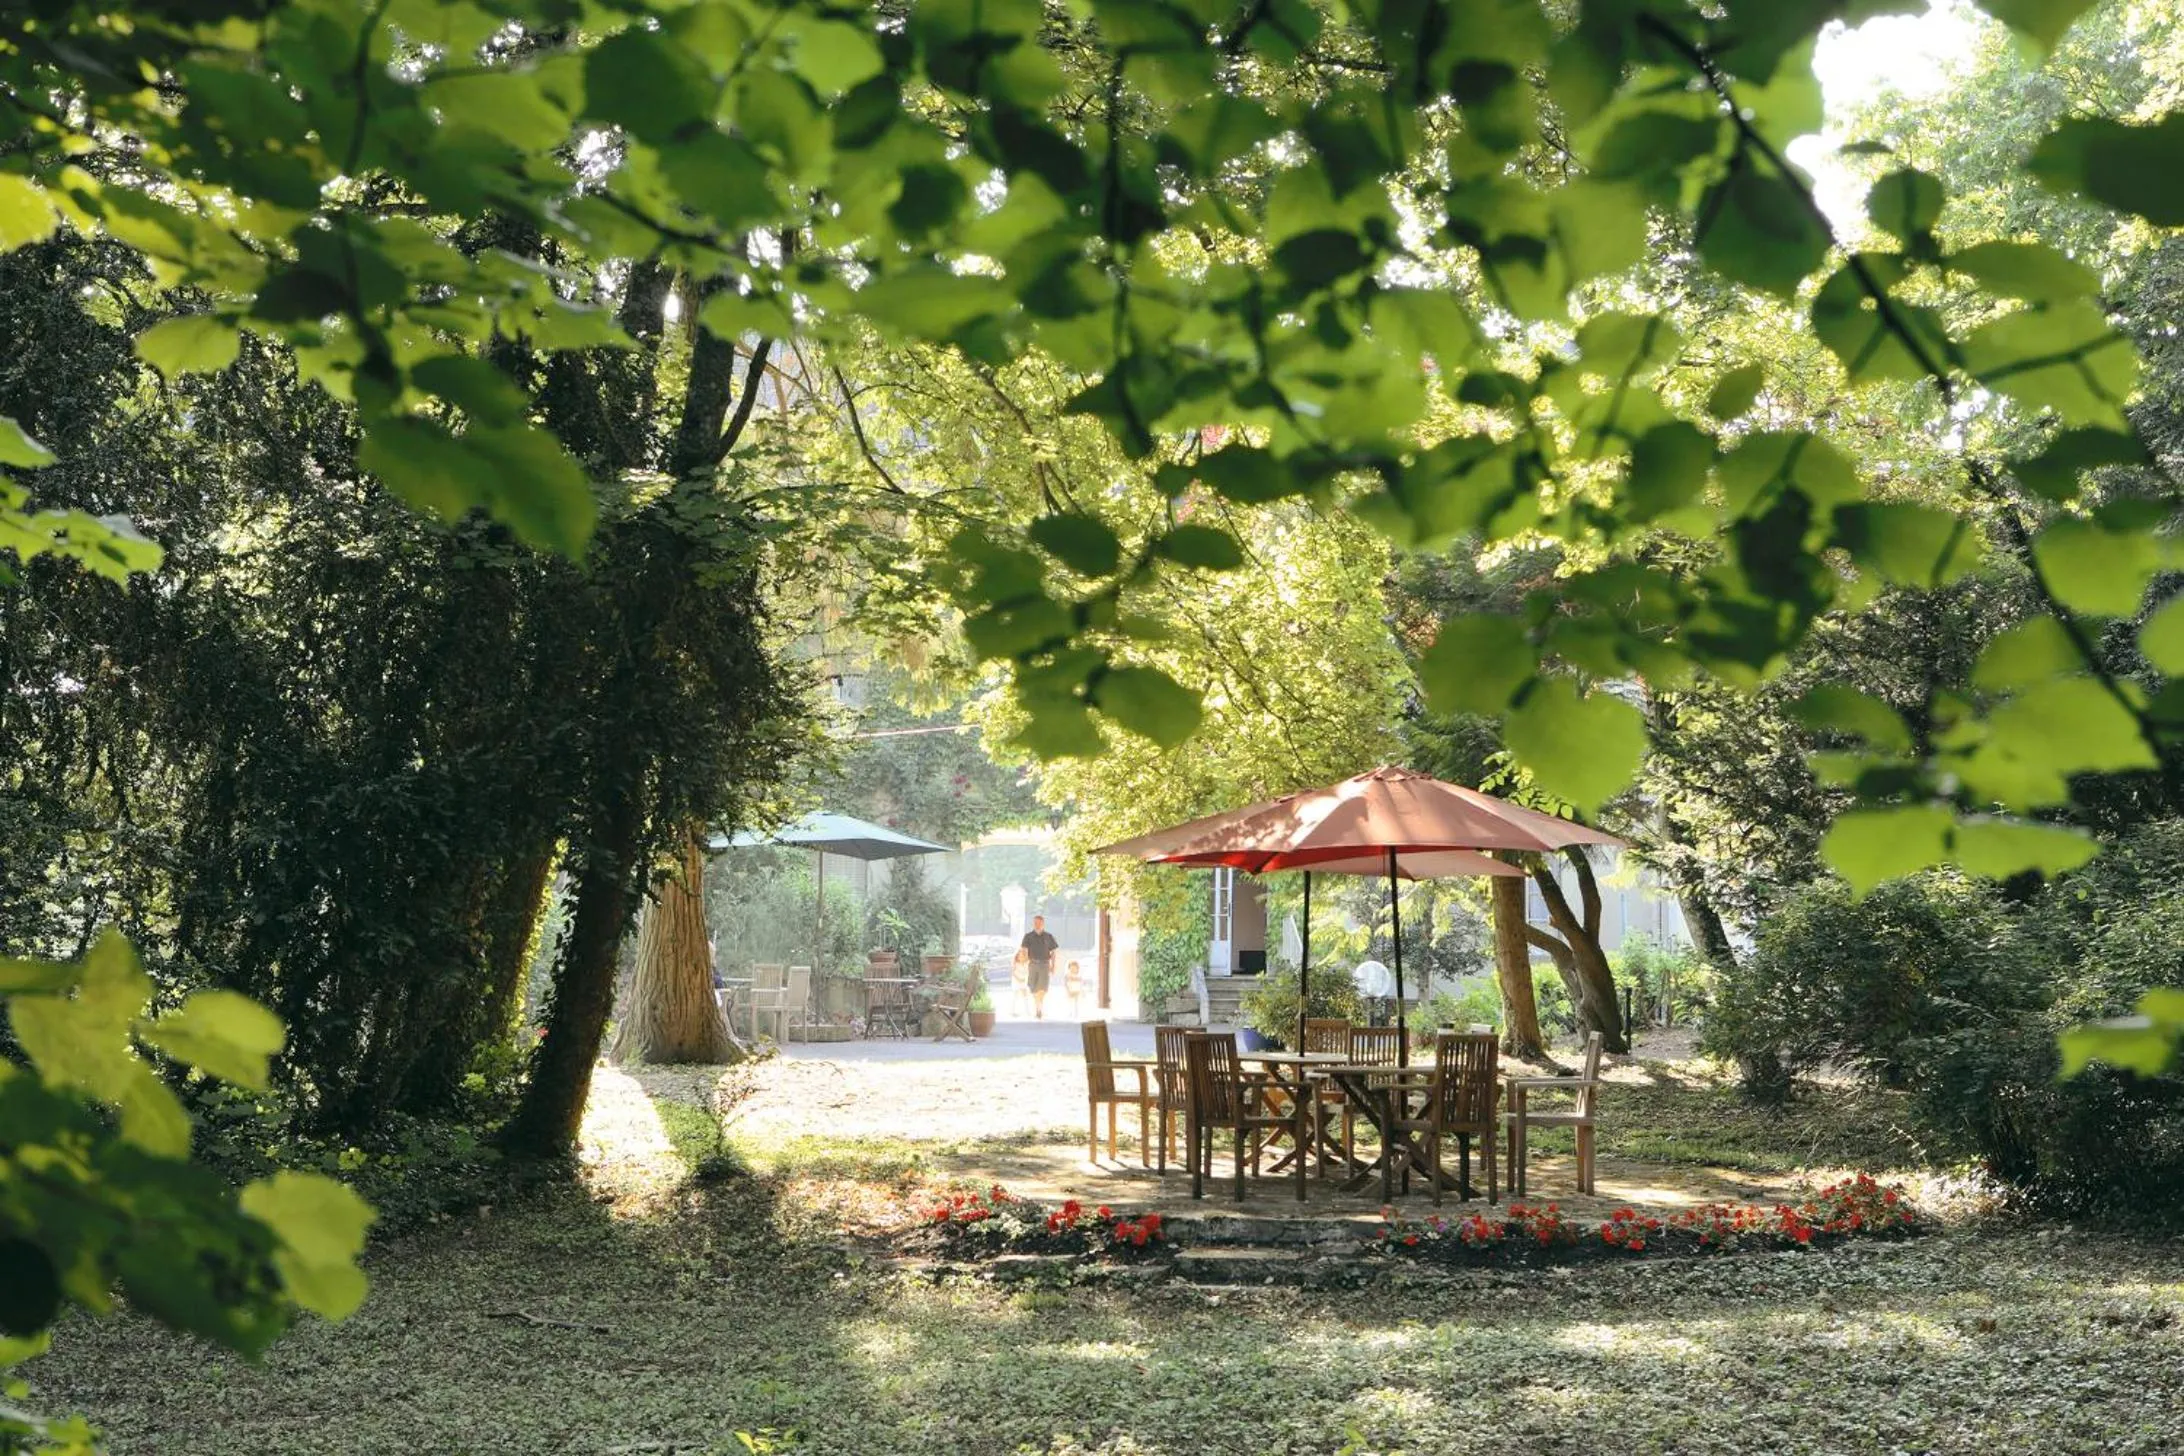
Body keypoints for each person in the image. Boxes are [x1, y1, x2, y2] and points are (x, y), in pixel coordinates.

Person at [1019, 914, 1060, 1020]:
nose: (1037, 924)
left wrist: (1054, 965)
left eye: (1039, 922)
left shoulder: (1048, 936)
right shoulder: (1028, 936)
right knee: (1033, 987)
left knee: (1042, 988)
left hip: (1045, 964)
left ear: (1043, 923)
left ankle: (1039, 1008)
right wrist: (1024, 961)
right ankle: (1038, 1004)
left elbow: (1054, 952)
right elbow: (1023, 950)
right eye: (1035, 922)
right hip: (1032, 964)